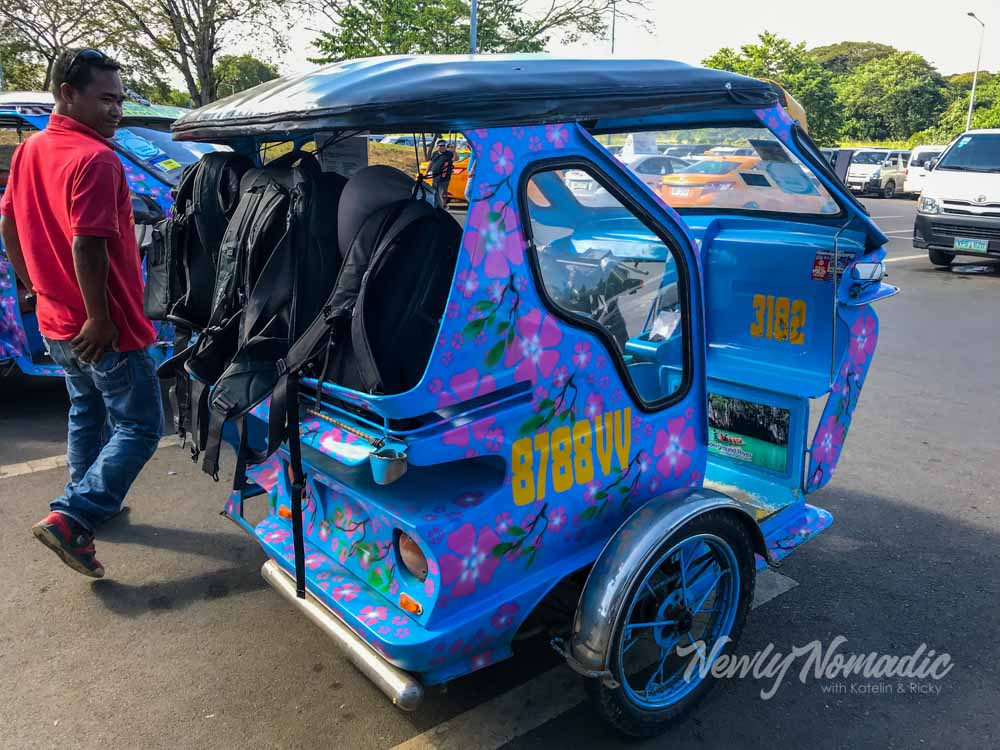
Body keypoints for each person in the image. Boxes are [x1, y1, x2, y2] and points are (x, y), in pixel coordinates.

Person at [0, 48, 162, 578]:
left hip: (56, 320)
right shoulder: (95, 160)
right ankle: (74, 516)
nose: (115, 110)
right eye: (105, 99)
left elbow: (8, 222)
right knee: (139, 425)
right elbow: (87, 245)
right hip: (104, 327)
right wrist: (100, 316)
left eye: (119, 99)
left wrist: (32, 285)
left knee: (86, 411)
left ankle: (85, 499)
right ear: (67, 94)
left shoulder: (30, 150)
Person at [427, 138, 454, 210]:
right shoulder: (435, 153)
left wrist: (454, 151)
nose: (442, 147)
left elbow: (456, 158)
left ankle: (443, 207)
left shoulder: (449, 154)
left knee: (442, 194)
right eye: (440, 145)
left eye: (443, 145)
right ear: (437, 146)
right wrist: (427, 172)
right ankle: (435, 207)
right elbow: (431, 163)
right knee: (434, 193)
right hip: (435, 177)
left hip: (444, 178)